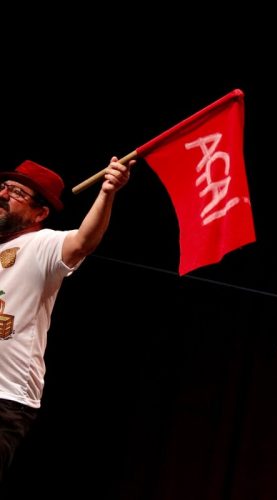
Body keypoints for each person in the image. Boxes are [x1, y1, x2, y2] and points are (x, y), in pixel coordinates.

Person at [0, 156, 135, 482]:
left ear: (40, 212)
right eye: (4, 187)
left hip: (5, 401)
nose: (3, 195)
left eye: (17, 192)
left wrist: (108, 192)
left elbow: (83, 241)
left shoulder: (40, 245)